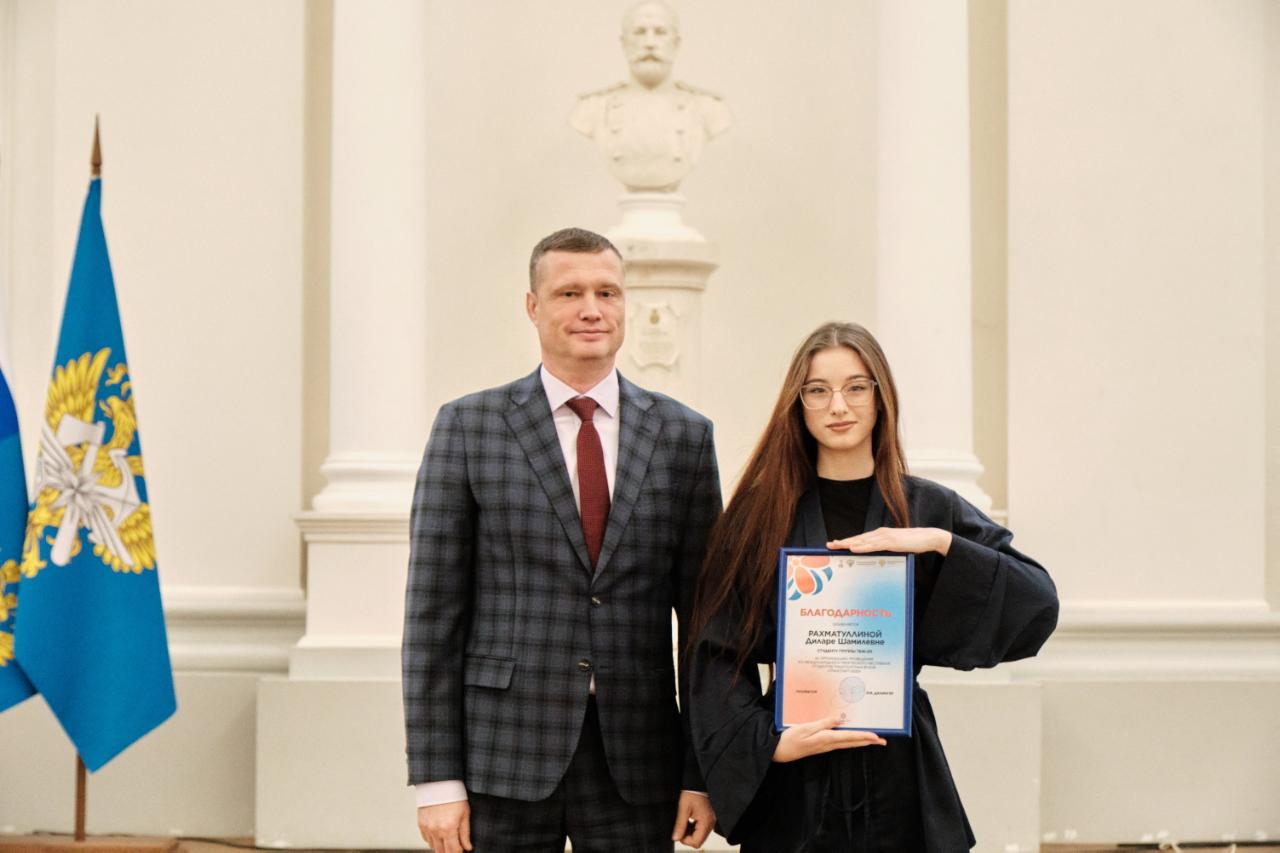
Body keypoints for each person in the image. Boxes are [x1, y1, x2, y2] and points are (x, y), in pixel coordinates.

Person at [403, 227, 720, 853]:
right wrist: (436, 778)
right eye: (569, 293)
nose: (591, 309)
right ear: (533, 306)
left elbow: (706, 622)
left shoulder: (684, 437)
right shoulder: (468, 427)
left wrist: (700, 771)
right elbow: (433, 615)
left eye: (608, 292)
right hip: (502, 755)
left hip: (639, 761)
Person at [687, 322, 1059, 851]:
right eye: (818, 390)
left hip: (898, 769)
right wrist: (767, 744)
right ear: (798, 404)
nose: (838, 406)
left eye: (856, 387)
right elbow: (716, 651)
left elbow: (1037, 602)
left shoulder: (928, 508)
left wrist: (939, 543)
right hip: (795, 774)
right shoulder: (759, 515)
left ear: (881, 397)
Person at [569, 0, 732, 192]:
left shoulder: (708, 108)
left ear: (676, 44)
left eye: (660, 32)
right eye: (639, 32)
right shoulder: (592, 108)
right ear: (624, 43)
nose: (649, 43)